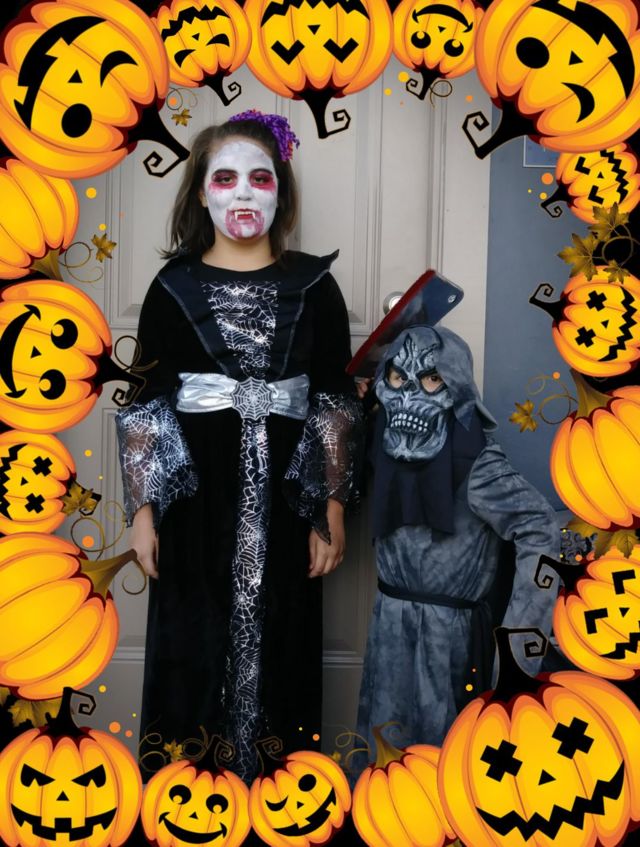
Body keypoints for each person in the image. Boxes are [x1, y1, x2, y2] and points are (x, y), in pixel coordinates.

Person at [116, 110, 362, 782]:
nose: (244, 192)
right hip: (196, 504)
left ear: (281, 190)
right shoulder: (173, 288)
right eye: (225, 179)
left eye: (260, 178)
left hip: (288, 503)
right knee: (193, 649)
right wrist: (143, 515)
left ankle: (280, 798)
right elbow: (148, 401)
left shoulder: (315, 287)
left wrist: (330, 511)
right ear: (202, 194)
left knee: (282, 644)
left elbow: (334, 401)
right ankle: (186, 796)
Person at [355, 325, 560, 759]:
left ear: (457, 389)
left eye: (432, 379)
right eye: (398, 378)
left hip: (447, 637)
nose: (409, 395)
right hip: (390, 623)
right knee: (384, 760)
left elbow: (538, 526)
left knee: (443, 757)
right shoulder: (380, 441)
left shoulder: (475, 460)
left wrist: (519, 644)